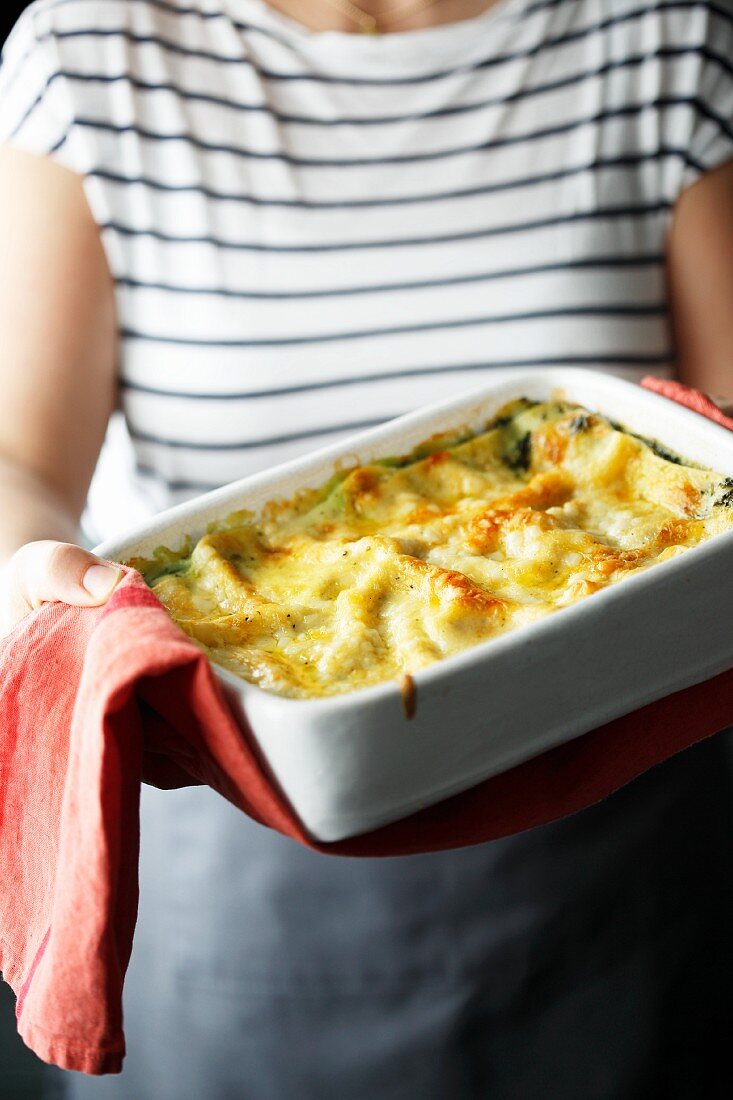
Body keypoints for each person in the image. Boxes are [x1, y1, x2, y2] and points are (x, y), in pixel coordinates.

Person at [1, 0, 732, 1096]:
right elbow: (19, 453)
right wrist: (30, 562)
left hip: (616, 866)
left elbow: (717, 435)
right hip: (235, 866)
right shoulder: (90, 50)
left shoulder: (663, 38)